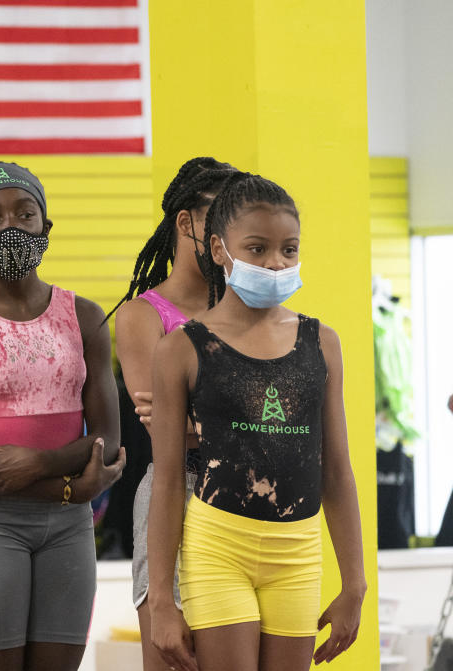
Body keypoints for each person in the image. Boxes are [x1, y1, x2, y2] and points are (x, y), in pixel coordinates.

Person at [147, 173, 365, 671]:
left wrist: (354, 584)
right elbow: (165, 481)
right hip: (218, 545)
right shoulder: (182, 346)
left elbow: (337, 472)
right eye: (258, 248)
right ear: (220, 250)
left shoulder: (321, 341)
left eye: (289, 250)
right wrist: (161, 598)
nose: (275, 262)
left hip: (298, 551)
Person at [0, 162, 126, 671]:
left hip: (70, 528)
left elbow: (107, 440)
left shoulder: (84, 316)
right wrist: (71, 482)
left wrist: (39, 465)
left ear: (47, 226)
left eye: (25, 213)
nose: (11, 226)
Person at [107, 157, 236, 671]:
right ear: (186, 224)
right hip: (175, 496)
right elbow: (167, 431)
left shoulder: (251, 310)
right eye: (221, 222)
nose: (234, 238)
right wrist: (252, 425)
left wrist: (203, 422)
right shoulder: (144, 315)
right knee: (177, 658)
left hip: (251, 500)